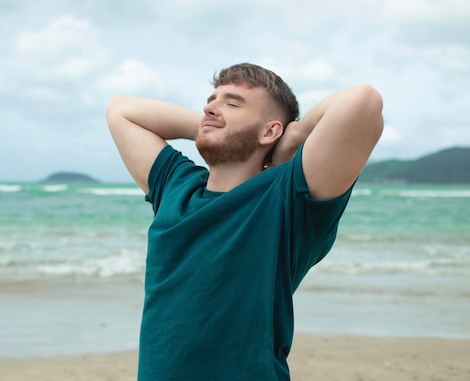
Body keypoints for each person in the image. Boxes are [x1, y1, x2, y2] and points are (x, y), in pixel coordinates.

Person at [106, 62, 384, 381]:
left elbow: (363, 103)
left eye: (232, 102)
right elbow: (121, 110)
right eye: (212, 100)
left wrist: (294, 137)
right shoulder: (175, 186)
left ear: (270, 131)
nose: (210, 108)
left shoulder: (287, 200)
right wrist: (211, 123)